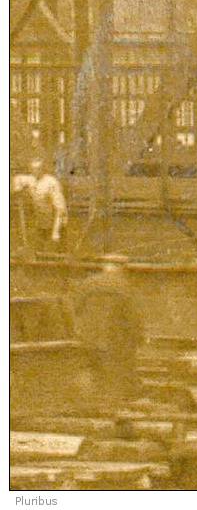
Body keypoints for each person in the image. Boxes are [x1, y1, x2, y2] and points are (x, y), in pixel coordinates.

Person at [71, 261, 145, 400]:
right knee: (117, 372)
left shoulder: (87, 284)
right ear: (121, 270)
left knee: (93, 370)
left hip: (88, 337)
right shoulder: (125, 286)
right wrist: (138, 337)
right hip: (114, 338)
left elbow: (76, 309)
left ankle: (94, 400)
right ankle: (115, 401)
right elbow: (132, 317)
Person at [12, 157, 68, 252]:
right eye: (33, 169)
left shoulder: (51, 183)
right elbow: (17, 178)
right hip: (41, 223)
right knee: (39, 251)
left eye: (38, 169)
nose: (36, 172)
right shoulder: (31, 180)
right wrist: (16, 186)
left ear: (43, 169)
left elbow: (60, 210)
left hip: (56, 223)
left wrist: (56, 231)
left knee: (55, 254)